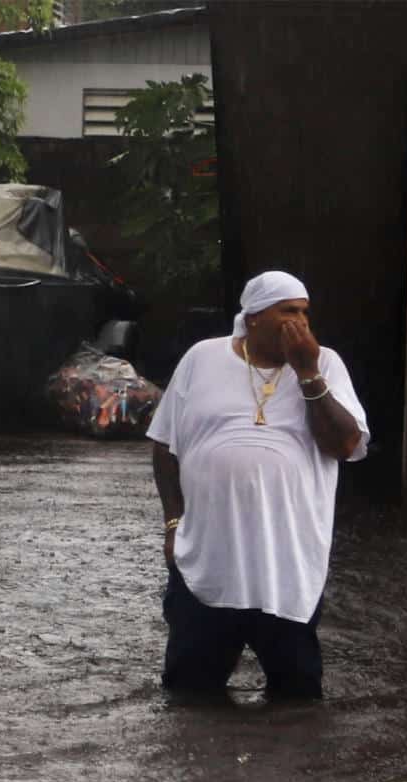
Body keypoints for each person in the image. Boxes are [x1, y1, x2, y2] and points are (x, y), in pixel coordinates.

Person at [147, 270, 370, 698]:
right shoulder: (202, 358)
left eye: (304, 313)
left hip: (285, 561)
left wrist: (308, 372)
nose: (300, 323)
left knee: (297, 696)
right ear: (253, 318)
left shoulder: (325, 364)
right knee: (188, 693)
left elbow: (344, 444)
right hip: (207, 557)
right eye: (288, 311)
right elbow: (164, 446)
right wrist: (173, 524)